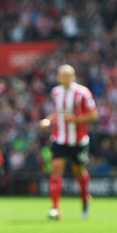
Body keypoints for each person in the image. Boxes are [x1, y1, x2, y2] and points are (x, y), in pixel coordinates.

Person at [39, 64, 98, 220]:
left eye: (67, 76)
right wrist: (48, 120)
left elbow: (93, 116)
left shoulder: (83, 93)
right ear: (58, 78)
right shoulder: (56, 92)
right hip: (59, 139)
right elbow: (57, 112)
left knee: (79, 172)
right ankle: (55, 208)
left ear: (73, 77)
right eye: (61, 76)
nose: (64, 79)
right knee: (56, 169)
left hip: (78, 141)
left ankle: (85, 199)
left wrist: (75, 119)